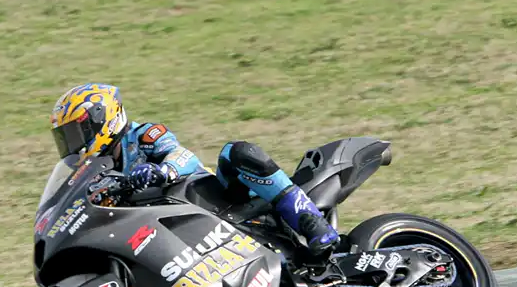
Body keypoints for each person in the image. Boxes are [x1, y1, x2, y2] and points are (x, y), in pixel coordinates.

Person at [50, 83, 339, 259]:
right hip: (171, 235)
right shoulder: (100, 171)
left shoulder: (144, 134)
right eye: (65, 138)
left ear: (102, 120)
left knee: (236, 152)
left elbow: (182, 155)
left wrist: (162, 171)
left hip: (214, 201)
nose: (72, 144)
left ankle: (310, 221)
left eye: (76, 133)